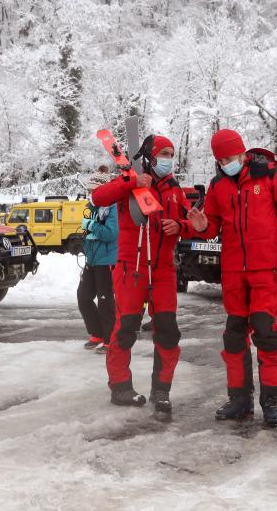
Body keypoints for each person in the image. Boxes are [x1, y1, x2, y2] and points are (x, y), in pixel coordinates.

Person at [176, 129, 277, 427]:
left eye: (230, 157)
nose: (225, 163)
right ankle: (240, 399)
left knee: (265, 331)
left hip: (266, 270)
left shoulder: (271, 175)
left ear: (242, 153)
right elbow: (211, 228)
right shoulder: (218, 184)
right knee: (234, 335)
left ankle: (271, 399)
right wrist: (201, 224)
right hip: (234, 272)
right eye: (220, 159)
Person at [91, 135, 190, 418]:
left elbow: (191, 221)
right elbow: (98, 198)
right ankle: (120, 386)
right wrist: (132, 182)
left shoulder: (174, 188)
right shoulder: (131, 181)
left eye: (172, 153)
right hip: (131, 268)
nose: (169, 159)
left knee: (168, 331)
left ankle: (162, 390)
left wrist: (181, 225)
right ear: (151, 156)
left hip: (163, 271)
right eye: (164, 153)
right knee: (125, 329)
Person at [79, 166, 118, 354]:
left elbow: (111, 234)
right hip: (92, 259)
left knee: (105, 300)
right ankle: (97, 332)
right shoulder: (92, 208)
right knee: (83, 297)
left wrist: (92, 226)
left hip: (107, 260)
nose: (90, 194)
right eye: (89, 190)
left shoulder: (113, 207)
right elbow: (91, 231)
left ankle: (112, 338)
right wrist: (86, 235)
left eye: (93, 190)